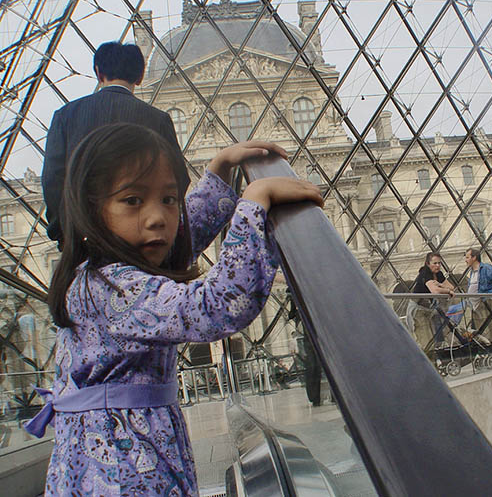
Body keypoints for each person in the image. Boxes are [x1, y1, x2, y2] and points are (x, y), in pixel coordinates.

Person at [24, 123, 323, 496]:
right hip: (123, 471)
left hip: (120, 454)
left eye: (168, 199)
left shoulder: (103, 269)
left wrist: (219, 171)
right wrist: (254, 204)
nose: (157, 217)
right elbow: (219, 305)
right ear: (91, 209)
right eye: (133, 200)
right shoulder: (111, 288)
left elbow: (179, 238)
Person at [41, 41, 190, 247]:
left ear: (98, 73)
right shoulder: (158, 119)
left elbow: (53, 180)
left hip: (84, 235)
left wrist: (64, 233)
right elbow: (179, 178)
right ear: (139, 77)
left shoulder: (65, 116)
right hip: (140, 237)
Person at [407, 252, 455, 351]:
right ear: (428, 264)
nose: (437, 266)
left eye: (439, 263)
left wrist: (440, 285)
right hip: (418, 310)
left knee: (434, 337)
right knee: (425, 339)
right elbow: (435, 291)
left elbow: (451, 287)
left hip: (429, 309)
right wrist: (447, 291)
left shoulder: (439, 274)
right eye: (434, 263)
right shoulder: (425, 273)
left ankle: (437, 360)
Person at [461, 248, 492, 341]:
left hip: (485, 304)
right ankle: (489, 350)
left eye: (467, 257)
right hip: (476, 306)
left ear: (474, 258)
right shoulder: (472, 271)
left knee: (491, 329)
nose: (465, 260)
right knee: (482, 332)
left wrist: (490, 295)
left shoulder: (486, 268)